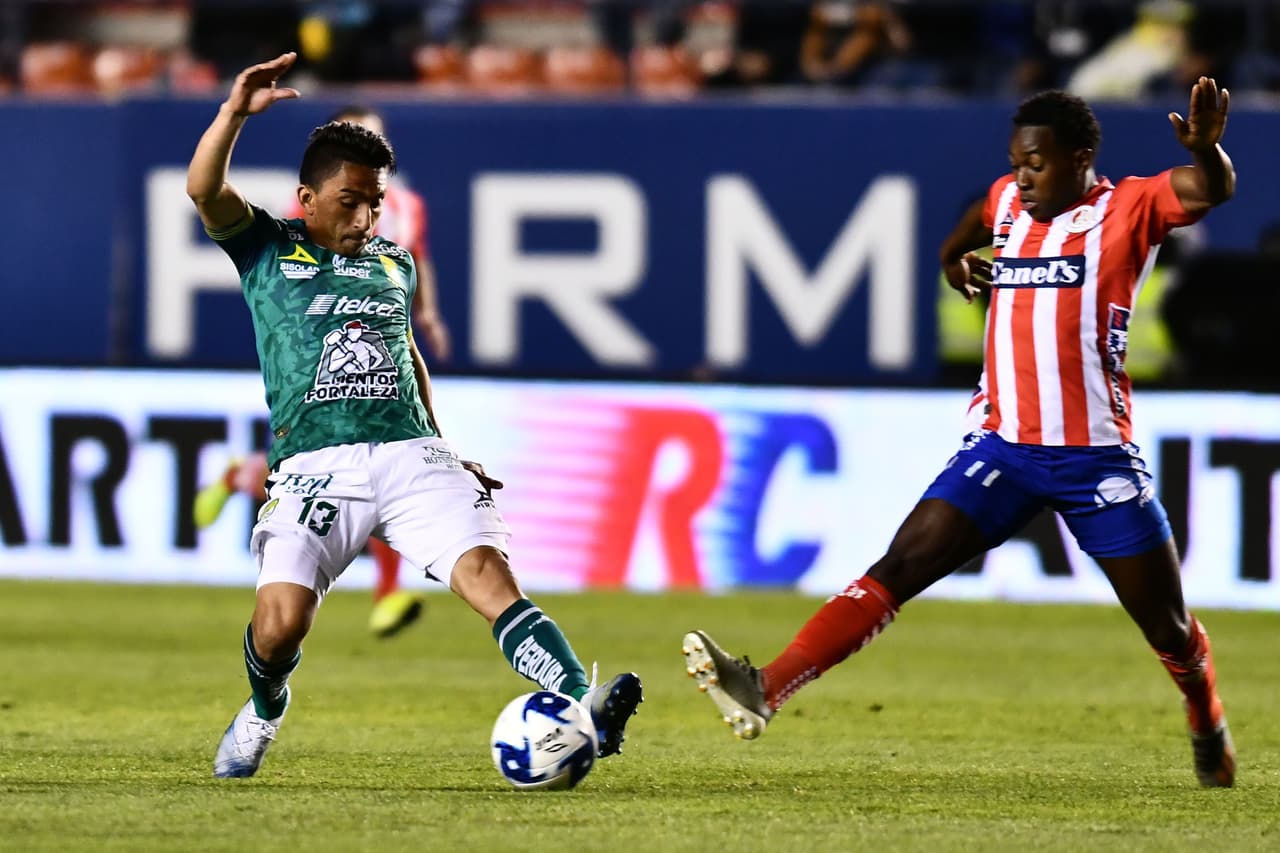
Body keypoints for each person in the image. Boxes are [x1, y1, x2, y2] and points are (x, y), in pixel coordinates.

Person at [683, 79, 1237, 788]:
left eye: (1038, 162)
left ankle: (1204, 710)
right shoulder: (1009, 201)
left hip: (1095, 459)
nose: (1023, 176)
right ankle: (767, 686)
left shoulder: (1127, 207)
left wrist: (1209, 149)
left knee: (1167, 628)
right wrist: (952, 256)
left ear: (1082, 157)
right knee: (900, 566)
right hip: (1002, 448)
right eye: (1017, 161)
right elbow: (982, 213)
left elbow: (1209, 189)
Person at [188, 52, 642, 778]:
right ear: (307, 195)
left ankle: (580, 700)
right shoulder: (268, 248)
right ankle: (266, 707)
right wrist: (231, 115)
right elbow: (203, 188)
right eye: (350, 200)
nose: (366, 217)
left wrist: (443, 443)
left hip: (409, 453)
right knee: (278, 626)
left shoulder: (396, 262)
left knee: (489, 576)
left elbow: (405, 355)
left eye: (376, 201)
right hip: (315, 467)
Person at [195, 101, 453, 639]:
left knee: (387, 464)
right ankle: (237, 475)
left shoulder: (406, 209)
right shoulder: (309, 208)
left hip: (382, 336)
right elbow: (283, 253)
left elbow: (415, 260)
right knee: (312, 469)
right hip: (319, 351)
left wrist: (424, 314)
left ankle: (387, 595)